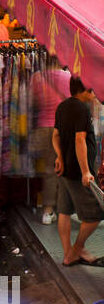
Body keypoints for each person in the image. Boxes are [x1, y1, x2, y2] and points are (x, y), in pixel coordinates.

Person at [53, 76, 101, 267]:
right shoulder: (82, 108)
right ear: (86, 89)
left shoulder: (62, 106)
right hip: (76, 172)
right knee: (95, 215)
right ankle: (77, 249)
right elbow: (80, 140)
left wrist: (59, 156)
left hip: (64, 170)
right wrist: (85, 172)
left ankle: (68, 255)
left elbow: (55, 136)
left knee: (64, 212)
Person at [32, 57, 72, 224]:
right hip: (63, 128)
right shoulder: (68, 77)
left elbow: (33, 103)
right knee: (66, 170)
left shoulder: (36, 78)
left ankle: (48, 210)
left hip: (43, 129)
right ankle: (62, 210)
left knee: (49, 171)